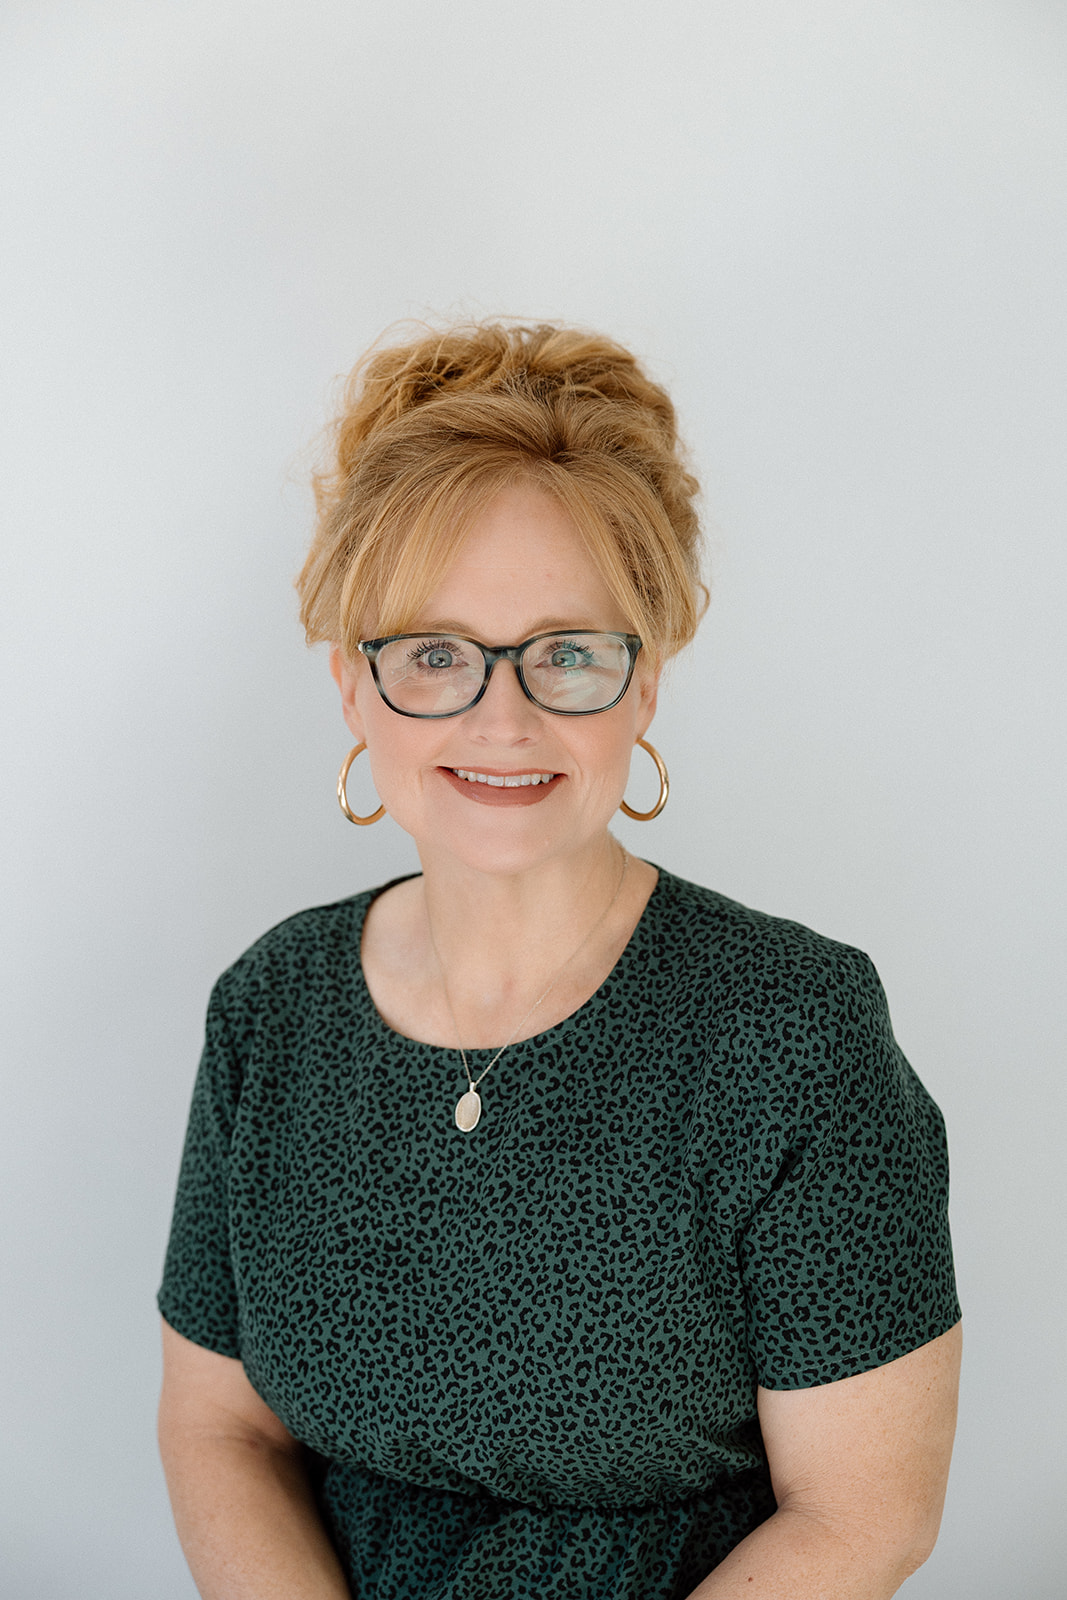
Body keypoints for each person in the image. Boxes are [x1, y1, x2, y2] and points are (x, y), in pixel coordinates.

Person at [157, 321, 962, 1600]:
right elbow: (221, 1428)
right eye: (434, 654)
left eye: (566, 653)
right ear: (350, 688)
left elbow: (864, 1516)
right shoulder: (271, 1006)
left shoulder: (793, 1031)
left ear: (644, 685)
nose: (501, 715)